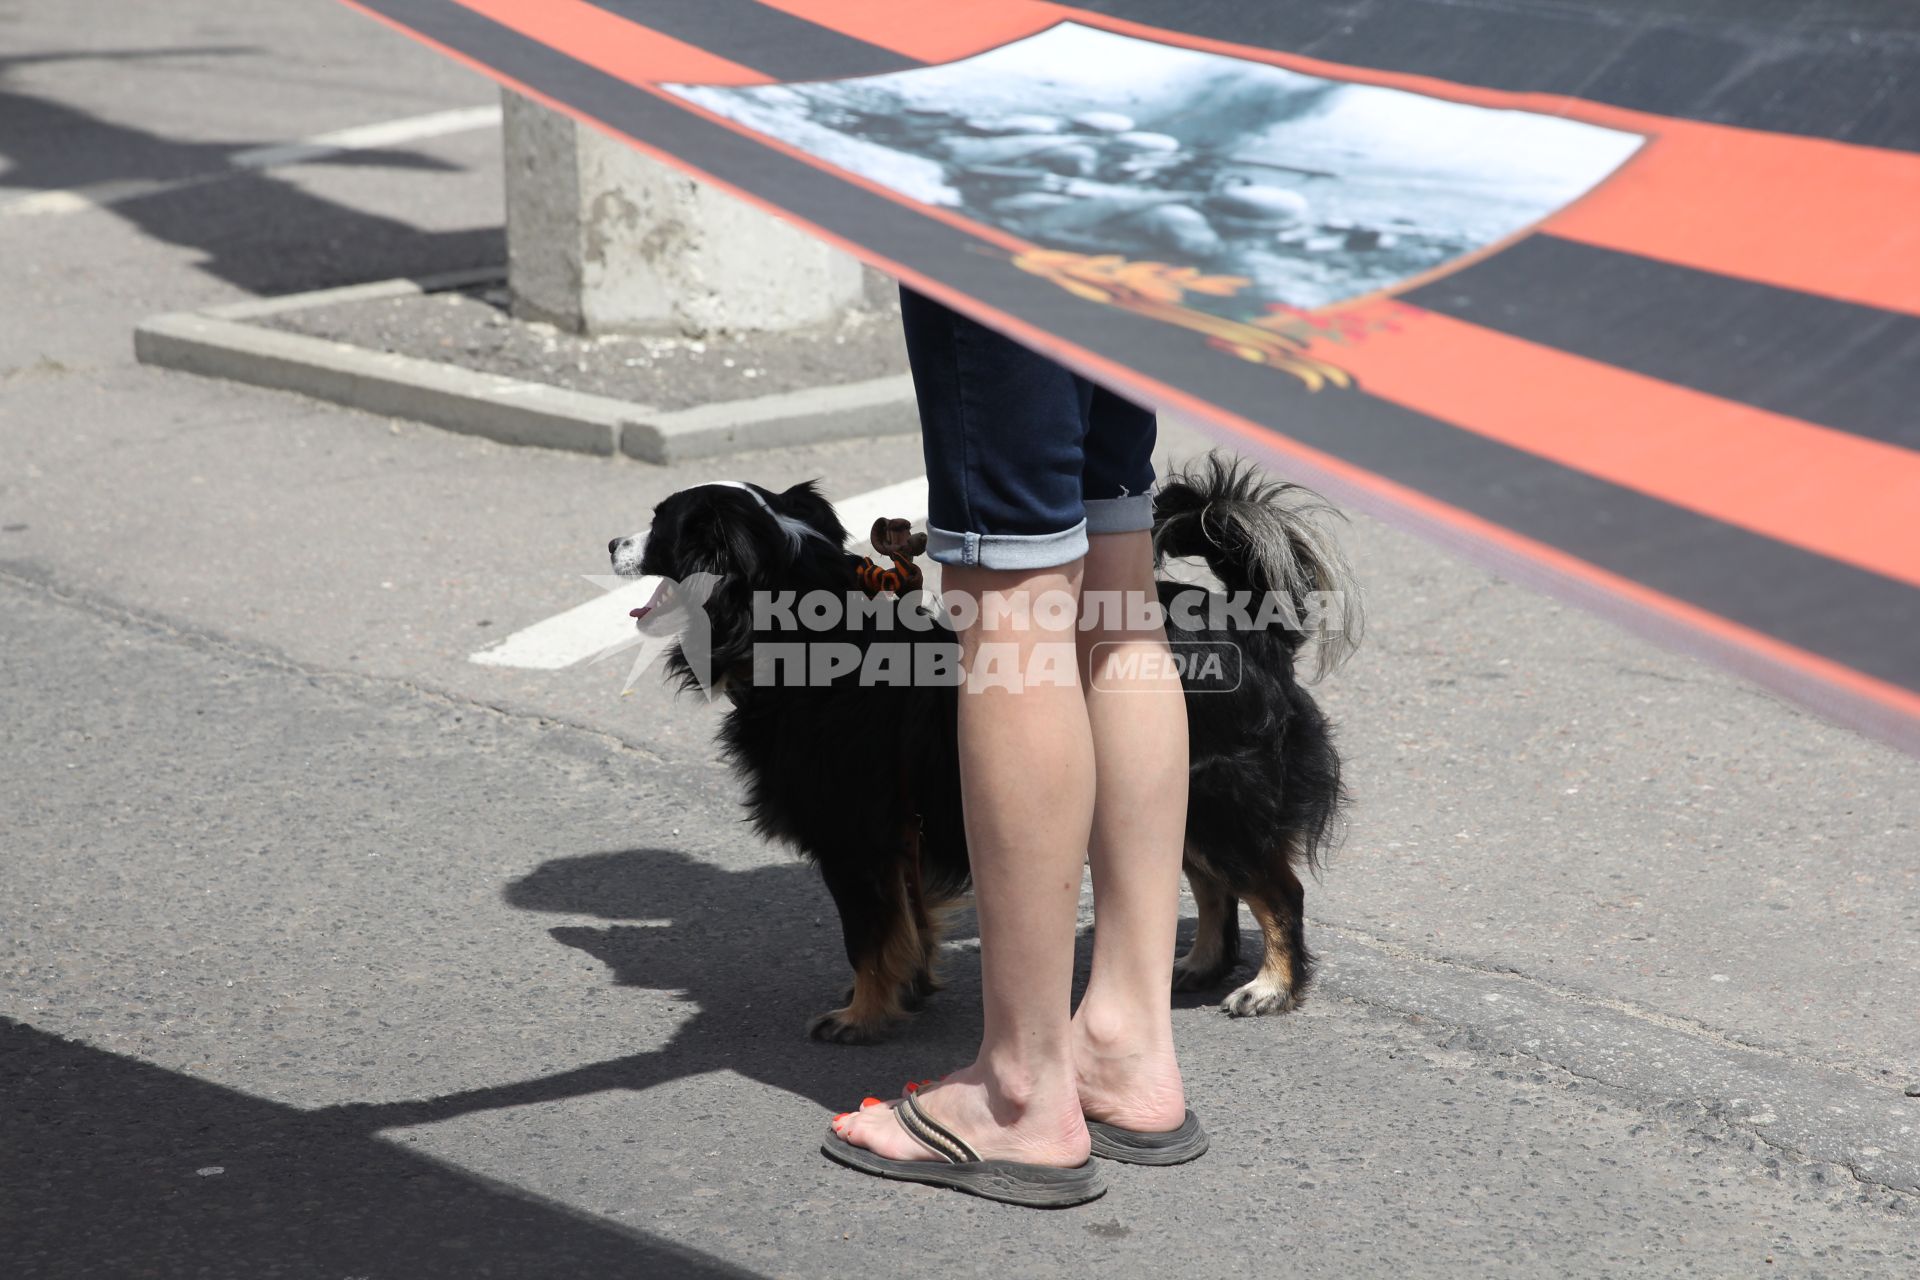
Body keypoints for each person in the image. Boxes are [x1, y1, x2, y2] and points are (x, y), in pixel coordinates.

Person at [821, 289, 1200, 1207]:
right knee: (1117, 574)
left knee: (1012, 592)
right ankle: (1126, 1038)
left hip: (992, 180)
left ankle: (1020, 1089)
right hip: (1122, 168)